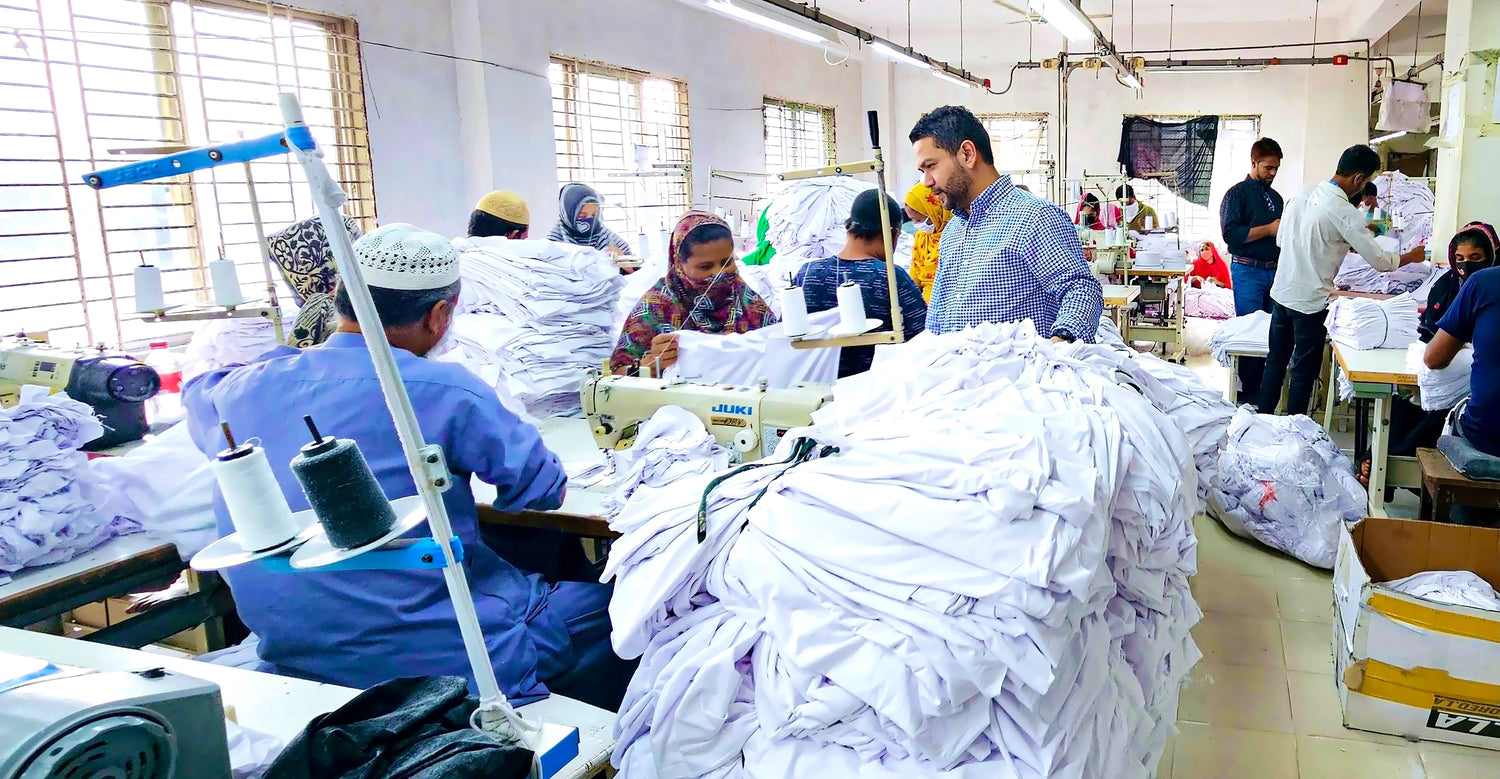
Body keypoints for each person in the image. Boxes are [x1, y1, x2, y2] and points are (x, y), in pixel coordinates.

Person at [183, 224, 634, 711]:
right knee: (630, 614)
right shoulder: (447, 390)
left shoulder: (235, 389)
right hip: (439, 656)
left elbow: (197, 392)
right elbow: (538, 493)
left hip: (295, 644)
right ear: (441, 314)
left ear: (339, 297)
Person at [1257, 145, 1427, 416]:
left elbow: (1282, 241)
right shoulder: (1344, 212)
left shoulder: (1300, 195)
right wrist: (1414, 256)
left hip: (1281, 293)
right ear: (1359, 179)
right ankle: (1295, 431)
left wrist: (1336, 244)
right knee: (1302, 372)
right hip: (1310, 304)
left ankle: (1262, 419)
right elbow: (1382, 262)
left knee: (1275, 362)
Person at [909, 106, 1103, 342]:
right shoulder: (953, 232)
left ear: (968, 154)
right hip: (957, 374)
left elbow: (1080, 289)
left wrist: (1061, 343)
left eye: (931, 166)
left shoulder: (1034, 218)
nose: (927, 182)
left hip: (1018, 376)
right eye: (922, 171)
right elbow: (938, 316)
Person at [1359, 222, 1498, 486]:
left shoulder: (1483, 285)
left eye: (1476, 258)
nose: (1466, 265)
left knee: (1437, 407)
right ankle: (1380, 461)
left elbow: (1434, 358)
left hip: (1485, 425)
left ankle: (1386, 467)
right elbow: (1431, 340)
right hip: (1459, 373)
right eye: (1460, 259)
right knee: (1411, 401)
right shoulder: (1445, 288)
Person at [611, 211, 776, 375]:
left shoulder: (746, 300)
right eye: (706, 267)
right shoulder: (657, 306)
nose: (719, 274)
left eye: (727, 262)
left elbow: (777, 350)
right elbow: (616, 375)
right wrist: (651, 365)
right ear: (679, 263)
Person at [795, 189, 927, 377]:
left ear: (849, 227)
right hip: (874, 394)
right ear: (893, 233)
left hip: (813, 390)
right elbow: (923, 341)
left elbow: (789, 337)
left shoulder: (806, 275)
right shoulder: (890, 277)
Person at [1220, 137, 1285, 402]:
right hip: (1247, 272)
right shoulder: (1237, 194)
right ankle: (1246, 396)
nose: (1272, 173)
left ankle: (1265, 395)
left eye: (1276, 169)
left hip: (1274, 272)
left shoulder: (1276, 198)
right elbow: (1231, 235)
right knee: (1249, 334)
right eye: (1268, 167)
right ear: (1254, 162)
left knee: (1273, 334)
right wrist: (1269, 230)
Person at [1426, 261, 1500, 460]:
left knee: (1429, 413)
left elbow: (1433, 358)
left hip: (1489, 438)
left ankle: (1381, 465)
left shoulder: (1484, 282)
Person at [549, 182, 633, 257]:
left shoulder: (608, 237)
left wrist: (622, 262)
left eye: (594, 215)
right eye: (582, 216)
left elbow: (633, 269)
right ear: (568, 215)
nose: (589, 220)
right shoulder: (553, 243)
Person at [903, 182, 952, 301]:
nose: (916, 225)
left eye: (919, 219)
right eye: (912, 220)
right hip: (927, 305)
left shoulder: (955, 235)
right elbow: (915, 275)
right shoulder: (921, 237)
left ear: (933, 212)